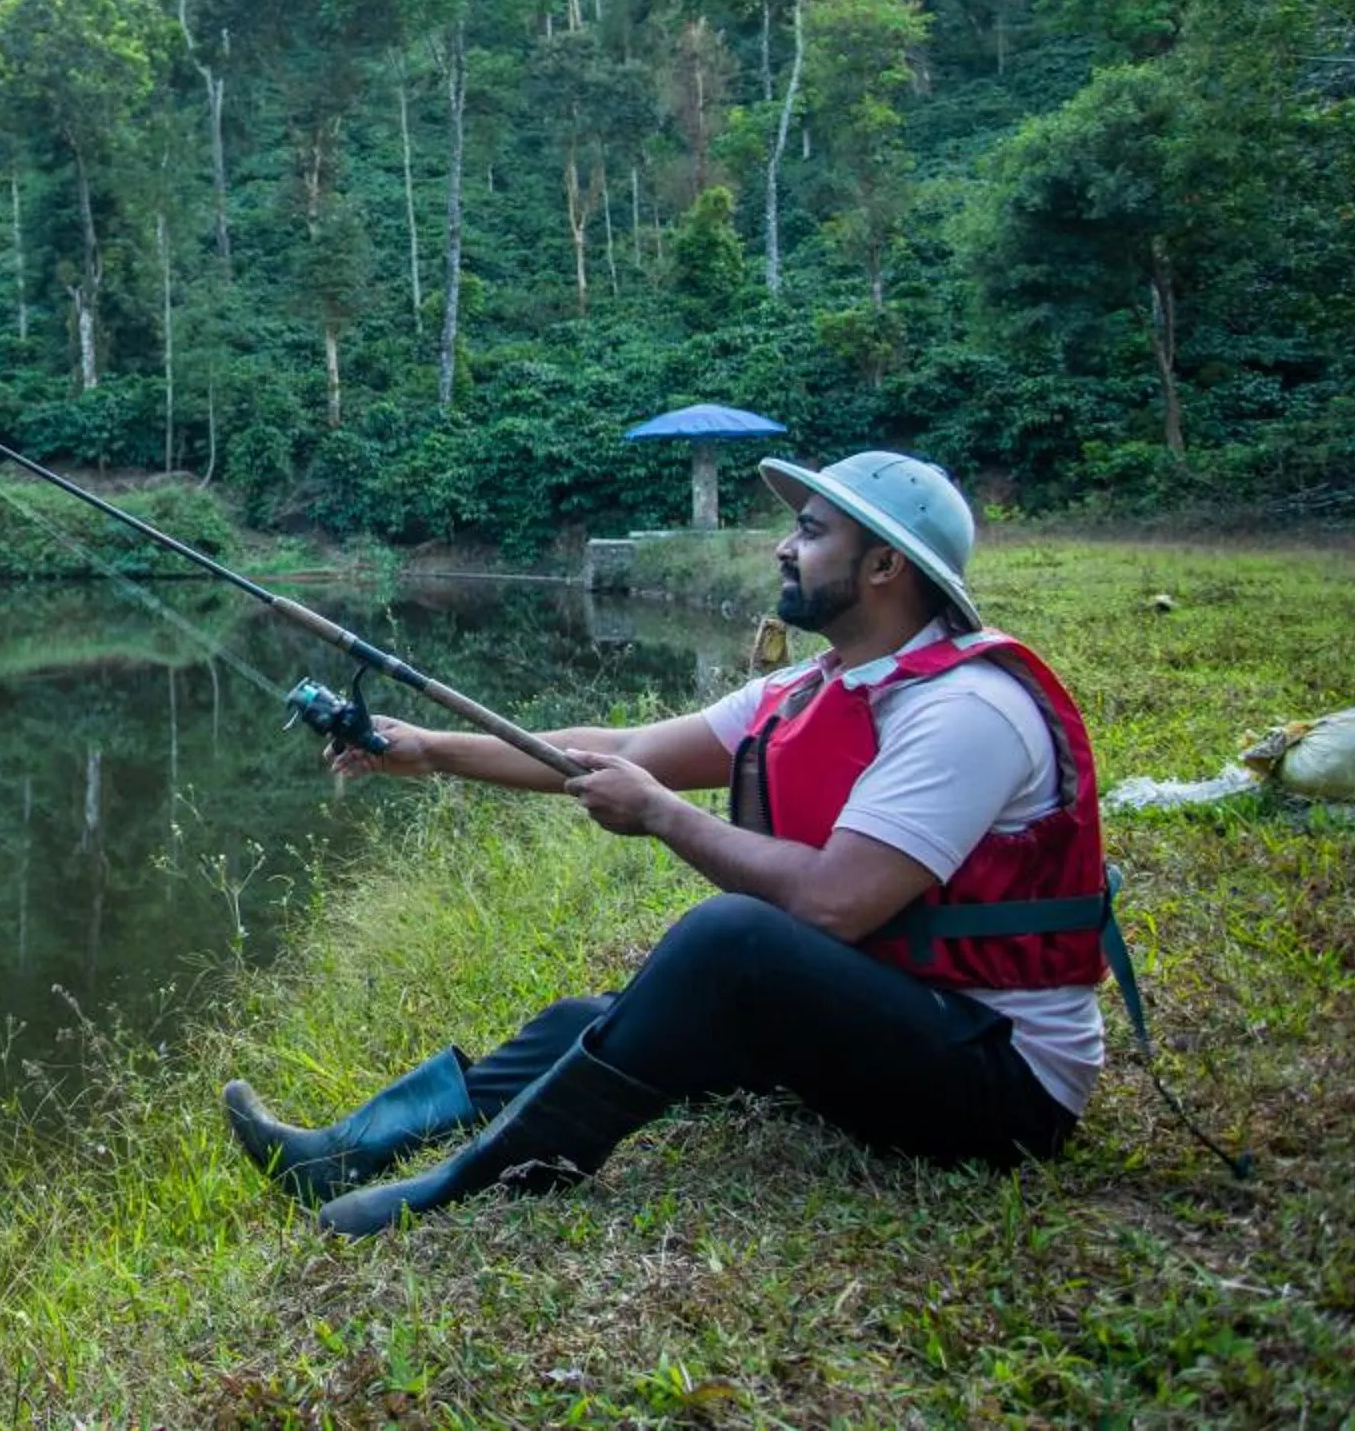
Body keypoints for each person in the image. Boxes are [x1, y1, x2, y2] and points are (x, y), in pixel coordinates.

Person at [225, 450, 1113, 1237]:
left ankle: (479, 1181)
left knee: (730, 937)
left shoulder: (963, 711)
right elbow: (624, 752)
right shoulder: (820, 684)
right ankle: (338, 1152)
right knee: (589, 1019)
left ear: (885, 565)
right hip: (893, 1018)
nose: (782, 546)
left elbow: (838, 903)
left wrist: (663, 815)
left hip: (999, 1085)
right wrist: (428, 748)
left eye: (809, 531)